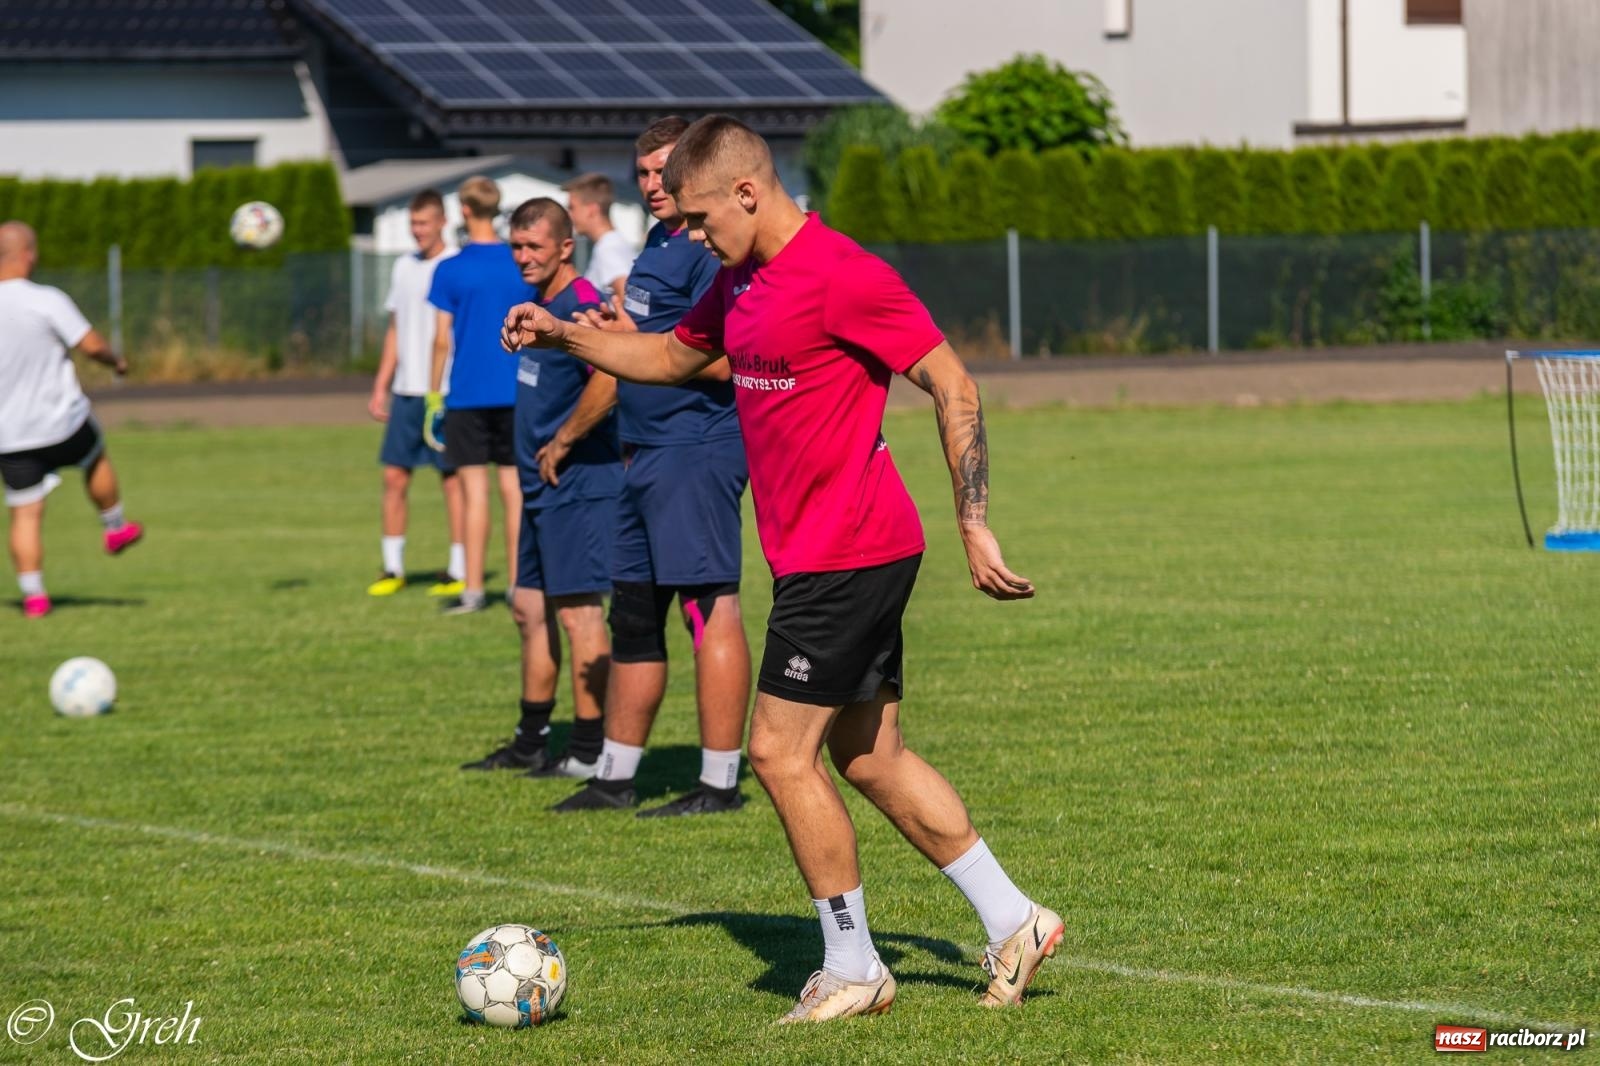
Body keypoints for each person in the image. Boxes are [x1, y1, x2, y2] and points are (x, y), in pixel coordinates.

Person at [501, 115, 1060, 1022]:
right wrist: (565, 335)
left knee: (775, 751)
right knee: (869, 757)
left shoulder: (844, 275)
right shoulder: (740, 278)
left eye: (696, 216)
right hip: (819, 555)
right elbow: (671, 357)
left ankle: (852, 966)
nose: (686, 233)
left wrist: (976, 523)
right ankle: (1015, 919)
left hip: (852, 551)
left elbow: (953, 383)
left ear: (748, 192)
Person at [552, 117, 752, 816]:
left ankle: (719, 784)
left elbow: (737, 359)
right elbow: (639, 345)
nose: (650, 185)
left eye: (662, 170)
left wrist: (644, 342)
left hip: (694, 452)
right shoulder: (660, 240)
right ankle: (614, 777)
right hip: (642, 456)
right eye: (641, 173)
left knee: (708, 608)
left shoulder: (710, 248)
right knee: (634, 616)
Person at [461, 198, 617, 774]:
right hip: (538, 486)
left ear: (565, 248)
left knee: (580, 616)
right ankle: (531, 740)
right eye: (517, 245)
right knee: (528, 608)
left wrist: (565, 439)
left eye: (535, 246)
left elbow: (611, 378)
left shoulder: (581, 307)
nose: (523, 256)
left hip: (577, 481)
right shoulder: (540, 304)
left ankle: (588, 749)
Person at [0, 221, 143, 619]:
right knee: (94, 453)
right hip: (60, 422)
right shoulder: (45, 299)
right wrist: (117, 361)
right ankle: (114, 527)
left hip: (9, 434)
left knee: (25, 513)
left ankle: (34, 597)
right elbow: (90, 344)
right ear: (29, 254)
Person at [426, 176, 527, 615]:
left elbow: (441, 340)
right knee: (514, 490)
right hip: (516, 390)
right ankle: (517, 586)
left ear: (464, 210)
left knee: (474, 492)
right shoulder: (519, 262)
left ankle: (472, 591)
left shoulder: (450, 268)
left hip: (466, 393)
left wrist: (433, 396)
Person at [366, 189, 465, 598]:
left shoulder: (455, 265)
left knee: (452, 480)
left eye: (423, 223)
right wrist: (380, 385)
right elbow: (395, 329)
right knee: (394, 478)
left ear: (442, 221)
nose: (417, 231)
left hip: (443, 392)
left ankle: (458, 568)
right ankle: (393, 568)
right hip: (406, 392)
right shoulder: (404, 267)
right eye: (412, 224)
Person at [562, 173, 634, 302]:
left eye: (572, 208)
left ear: (591, 209)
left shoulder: (608, 249)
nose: (569, 215)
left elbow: (628, 296)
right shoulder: (611, 245)